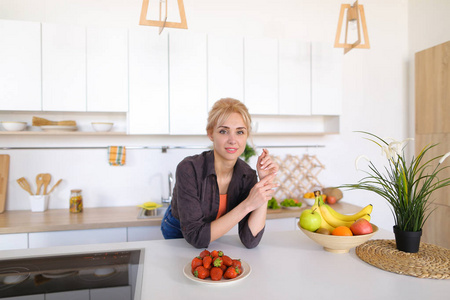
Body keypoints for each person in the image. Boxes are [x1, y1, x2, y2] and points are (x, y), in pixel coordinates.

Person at [161, 98, 279, 249]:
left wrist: (265, 182)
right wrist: (247, 204)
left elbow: (250, 240)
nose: (232, 140)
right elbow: (196, 237)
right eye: (224, 131)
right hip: (178, 233)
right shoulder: (189, 169)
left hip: (212, 233)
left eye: (240, 132)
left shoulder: (247, 175)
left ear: (246, 135)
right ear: (211, 134)